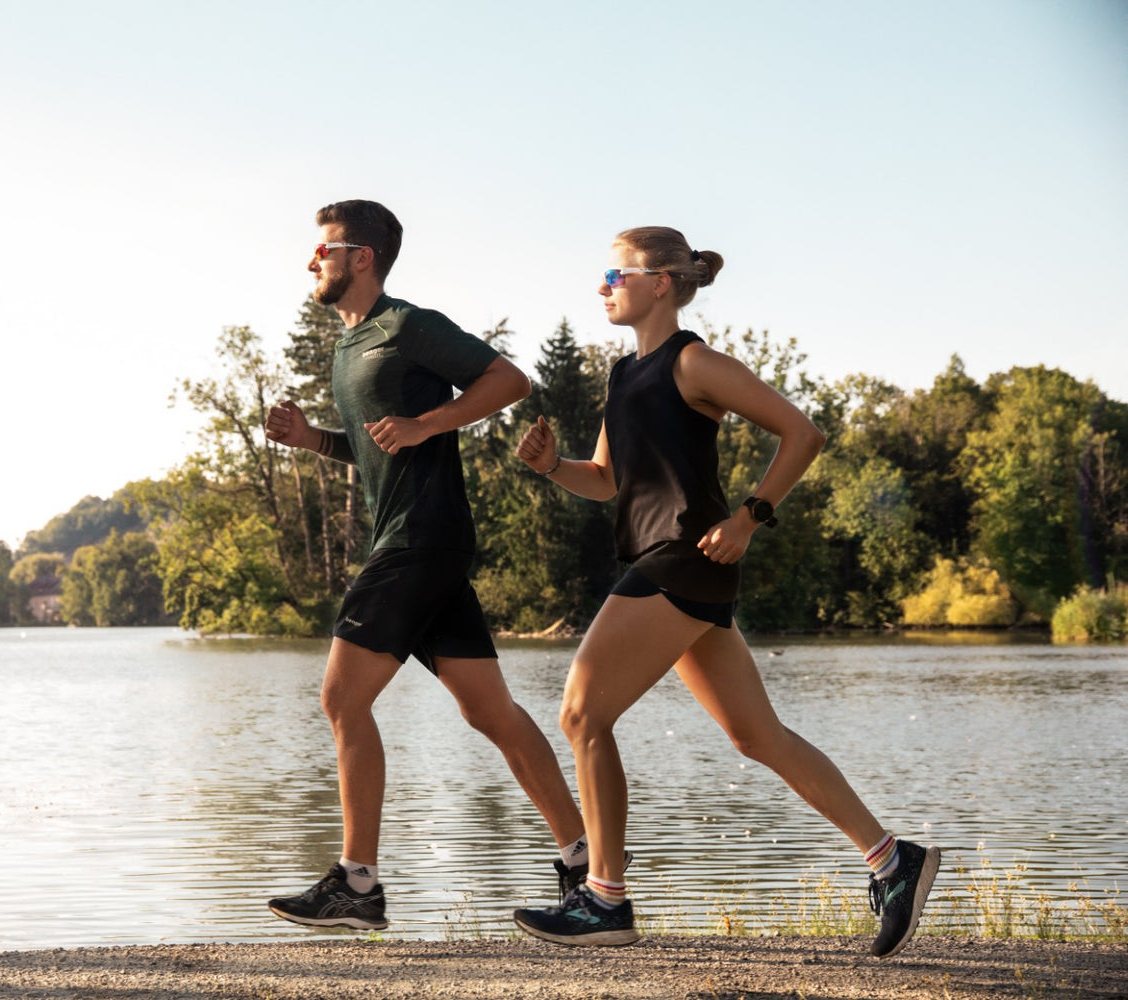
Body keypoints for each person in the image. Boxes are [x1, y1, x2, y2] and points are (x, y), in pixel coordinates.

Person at [510, 226, 940, 958]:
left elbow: (802, 433)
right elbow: (609, 481)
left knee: (581, 712)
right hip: (666, 559)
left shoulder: (695, 362)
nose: (603, 285)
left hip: (684, 557)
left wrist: (751, 516)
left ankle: (605, 898)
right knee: (755, 735)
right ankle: (893, 861)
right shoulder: (622, 376)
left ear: (662, 283)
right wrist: (556, 467)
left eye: (617, 273)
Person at [263, 199, 595, 930]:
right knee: (491, 712)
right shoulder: (348, 349)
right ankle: (586, 862)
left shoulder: (408, 325)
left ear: (362, 257)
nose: (310, 260)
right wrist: (314, 440)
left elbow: (510, 379)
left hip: (419, 538)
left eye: (324, 249)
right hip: (419, 542)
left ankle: (357, 882)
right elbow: (382, 443)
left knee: (341, 700)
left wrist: (431, 420)